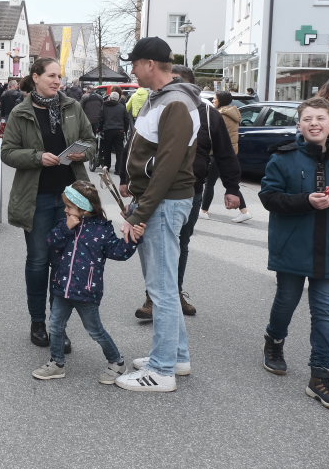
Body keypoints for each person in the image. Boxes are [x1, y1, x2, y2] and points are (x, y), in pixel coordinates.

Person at [259, 97, 329, 410]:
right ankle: (274, 342)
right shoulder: (282, 158)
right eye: (307, 119)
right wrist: (305, 200)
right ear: (299, 125)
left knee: (324, 311)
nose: (314, 124)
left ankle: (320, 377)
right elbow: (269, 197)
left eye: (320, 118)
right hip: (293, 244)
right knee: (286, 300)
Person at [113, 37, 199, 393]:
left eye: (134, 64)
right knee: (162, 286)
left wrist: (140, 212)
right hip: (159, 201)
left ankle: (162, 370)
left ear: (149, 64)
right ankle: (176, 357)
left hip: (163, 203)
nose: (132, 70)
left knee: (161, 289)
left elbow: (167, 166)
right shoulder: (164, 98)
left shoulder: (175, 102)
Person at [1, 57, 95, 351]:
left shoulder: (72, 107)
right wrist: (36, 157)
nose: (57, 81)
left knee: (63, 263)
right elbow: (8, 152)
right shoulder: (21, 112)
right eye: (51, 76)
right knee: (39, 261)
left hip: (71, 199)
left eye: (59, 76)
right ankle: (37, 322)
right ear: (35, 77)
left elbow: (91, 142)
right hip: (37, 198)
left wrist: (83, 153)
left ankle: (57, 326)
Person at [132, 66, 241, 321]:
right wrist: (128, 179)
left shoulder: (208, 114)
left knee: (179, 244)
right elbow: (137, 144)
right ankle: (156, 296)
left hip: (191, 190)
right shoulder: (159, 104)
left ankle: (171, 293)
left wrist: (232, 188)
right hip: (155, 189)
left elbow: (224, 152)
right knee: (157, 247)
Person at [32, 181, 142, 384]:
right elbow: (51, 243)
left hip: (86, 292)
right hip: (62, 288)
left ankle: (117, 362)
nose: (65, 210)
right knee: (55, 326)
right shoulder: (66, 225)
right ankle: (57, 363)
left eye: (69, 206)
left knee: (95, 330)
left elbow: (119, 252)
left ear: (83, 208)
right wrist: (66, 228)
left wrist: (133, 238)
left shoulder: (102, 230)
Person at [199, 91, 252, 223]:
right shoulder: (233, 113)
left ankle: (204, 211)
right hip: (230, 152)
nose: (213, 101)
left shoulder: (221, 115)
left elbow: (215, 137)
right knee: (230, 183)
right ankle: (244, 211)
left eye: (215, 99)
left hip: (219, 154)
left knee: (210, 183)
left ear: (221, 101)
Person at [97, 91, 130, 172]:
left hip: (107, 130)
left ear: (110, 98)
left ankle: (107, 167)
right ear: (118, 99)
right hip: (119, 130)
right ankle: (118, 169)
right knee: (119, 150)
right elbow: (126, 120)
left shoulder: (104, 106)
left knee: (107, 149)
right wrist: (125, 130)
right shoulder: (122, 107)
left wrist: (99, 129)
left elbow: (101, 119)